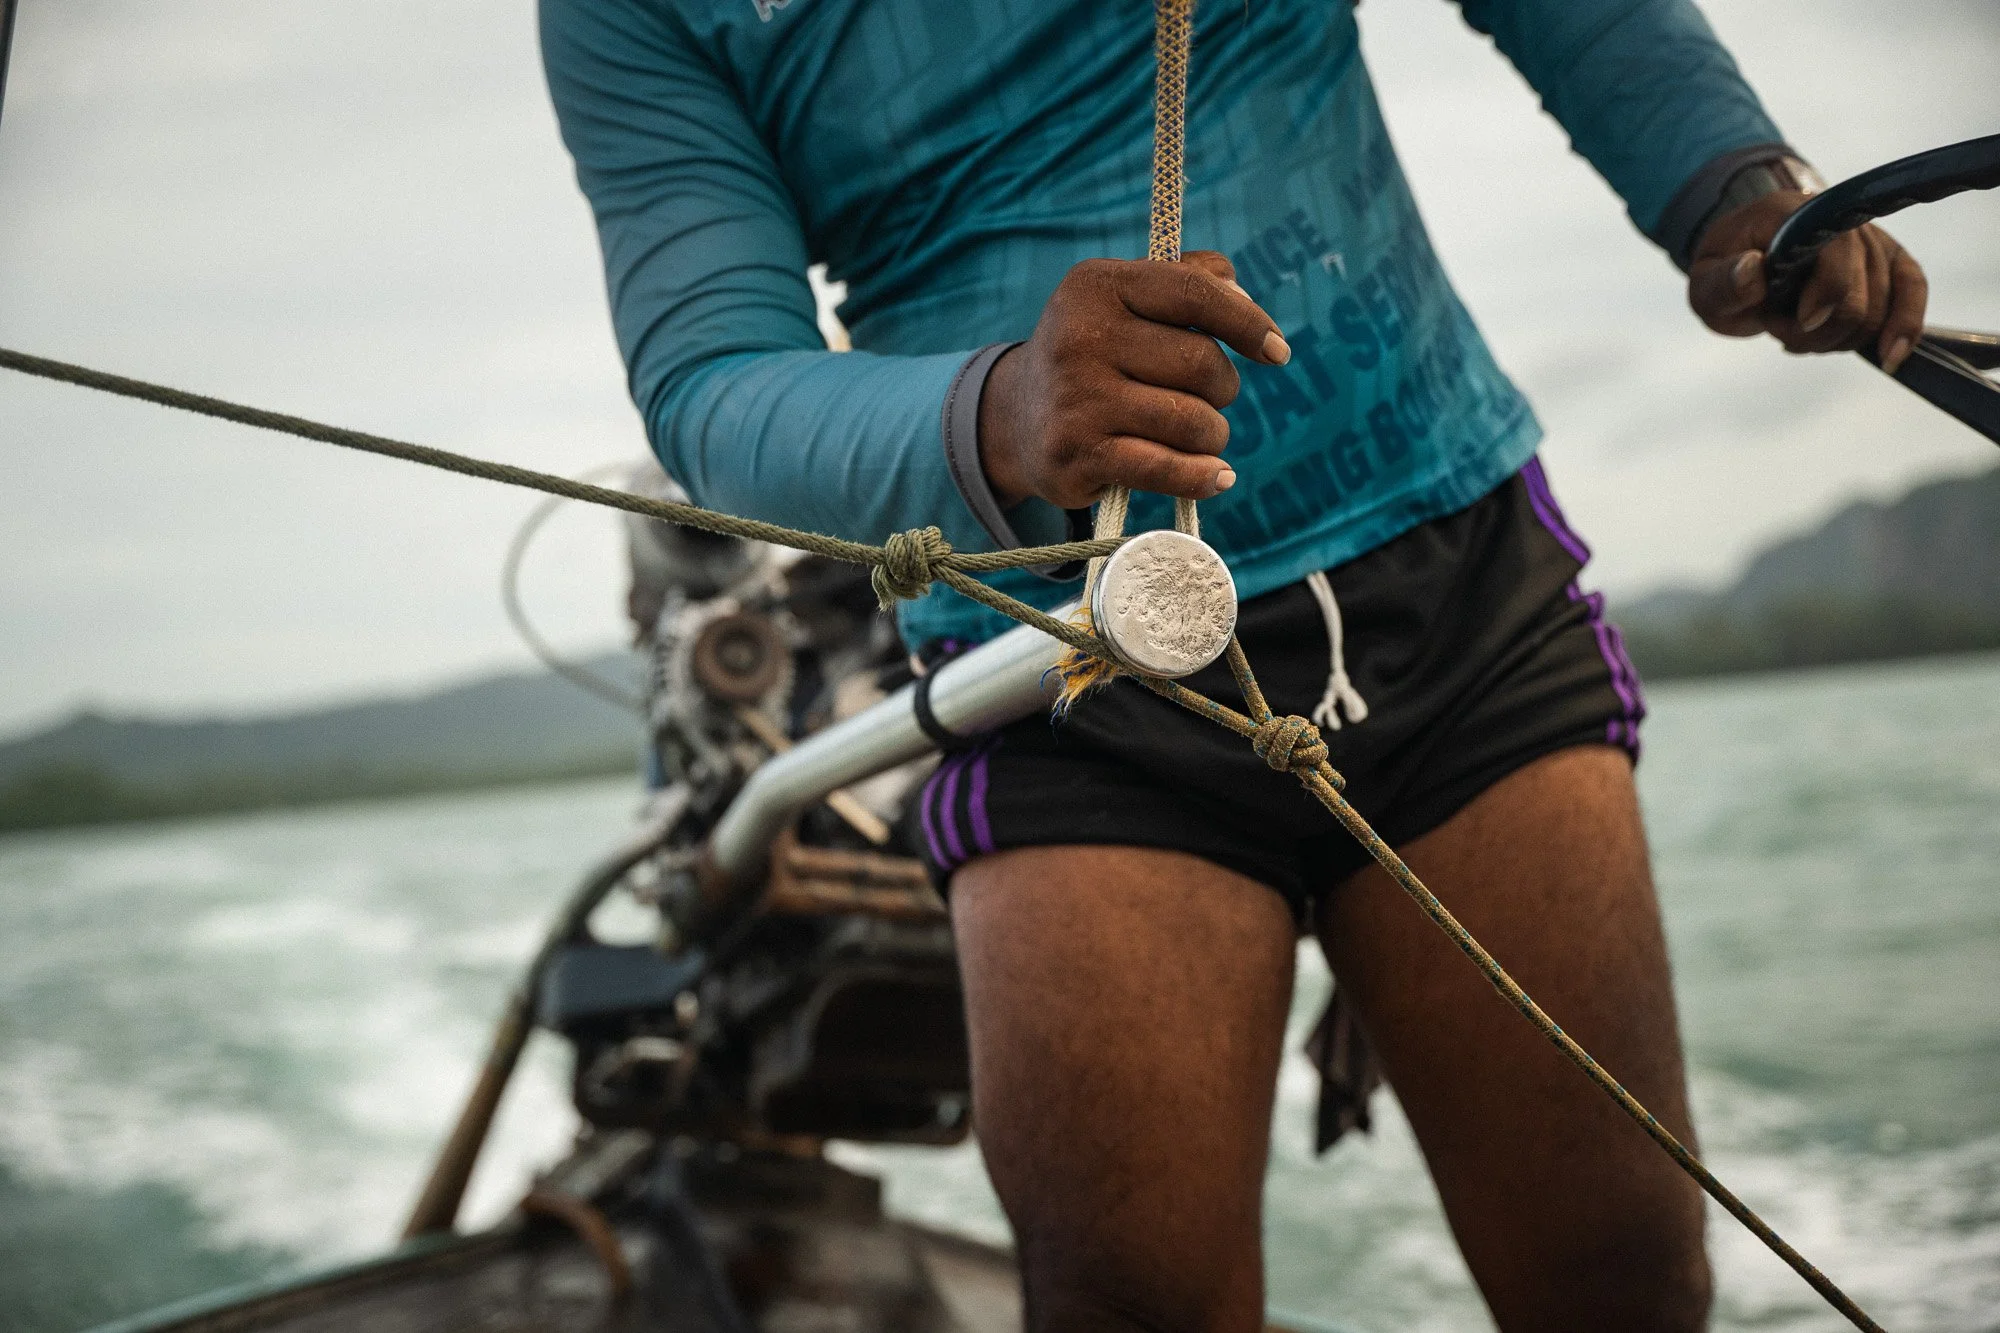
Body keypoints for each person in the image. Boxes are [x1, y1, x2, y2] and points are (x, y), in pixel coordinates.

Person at [541, 1, 1926, 1327]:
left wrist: (1727, 177)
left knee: (1625, 1281)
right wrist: (1010, 409)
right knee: (1126, 1303)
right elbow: (712, 382)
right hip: (1057, 660)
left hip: (1443, 560)